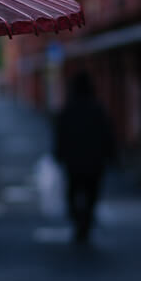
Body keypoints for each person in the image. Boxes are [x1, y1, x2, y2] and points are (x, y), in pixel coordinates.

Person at [53, 72, 116, 242]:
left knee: (73, 191)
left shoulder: (67, 110)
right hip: (95, 160)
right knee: (92, 191)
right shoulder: (98, 109)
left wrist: (59, 155)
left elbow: (60, 135)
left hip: (73, 161)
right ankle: (86, 219)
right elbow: (107, 134)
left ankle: (77, 220)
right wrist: (111, 156)